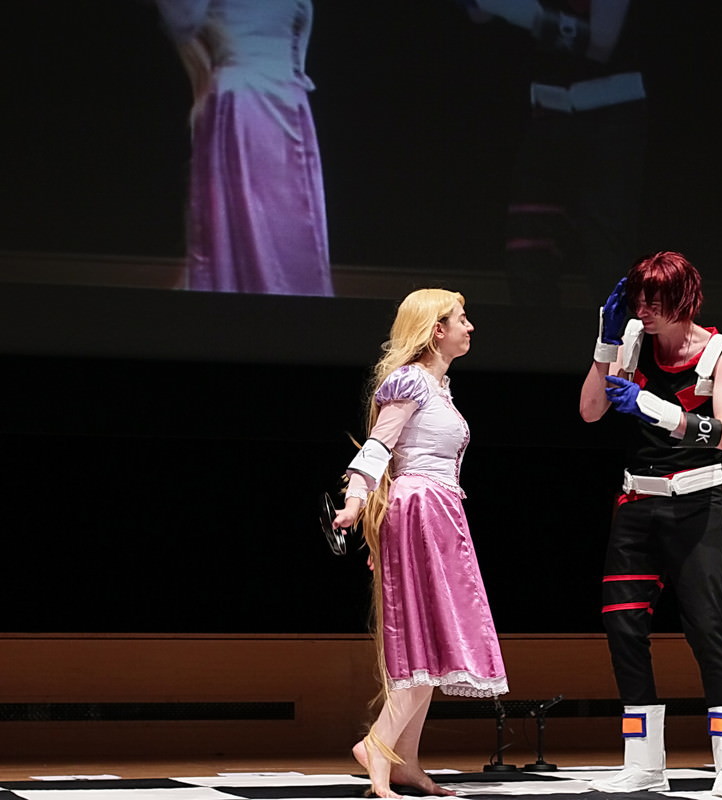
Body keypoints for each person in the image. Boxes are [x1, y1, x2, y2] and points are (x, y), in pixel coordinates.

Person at [579, 251, 722, 797]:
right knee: (623, 626)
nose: (644, 310)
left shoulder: (720, 351)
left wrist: (652, 406)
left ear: (684, 299)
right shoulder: (632, 339)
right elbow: (590, 410)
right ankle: (644, 763)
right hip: (636, 504)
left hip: (696, 504)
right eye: (638, 300)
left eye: (655, 301)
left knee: (706, 626)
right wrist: (606, 344)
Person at [331, 289, 508, 798]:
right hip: (421, 510)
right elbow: (379, 447)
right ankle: (378, 747)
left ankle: (404, 760)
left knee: (434, 638)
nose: (469, 327)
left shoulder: (438, 386)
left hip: (440, 511)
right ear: (436, 330)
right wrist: (355, 502)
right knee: (424, 637)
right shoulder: (411, 380)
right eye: (461, 318)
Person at [461, 0, 647, 307]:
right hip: (548, 116)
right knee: (528, 251)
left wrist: (516, 10)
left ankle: (620, 336)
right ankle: (536, 334)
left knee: (607, 253)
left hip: (610, 121)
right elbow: (478, 11)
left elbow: (600, 42)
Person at [155, 0, 334, 296]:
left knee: (244, 204)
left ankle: (244, 290)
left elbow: (183, 20)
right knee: (283, 208)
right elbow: (302, 28)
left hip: (240, 94)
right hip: (285, 93)